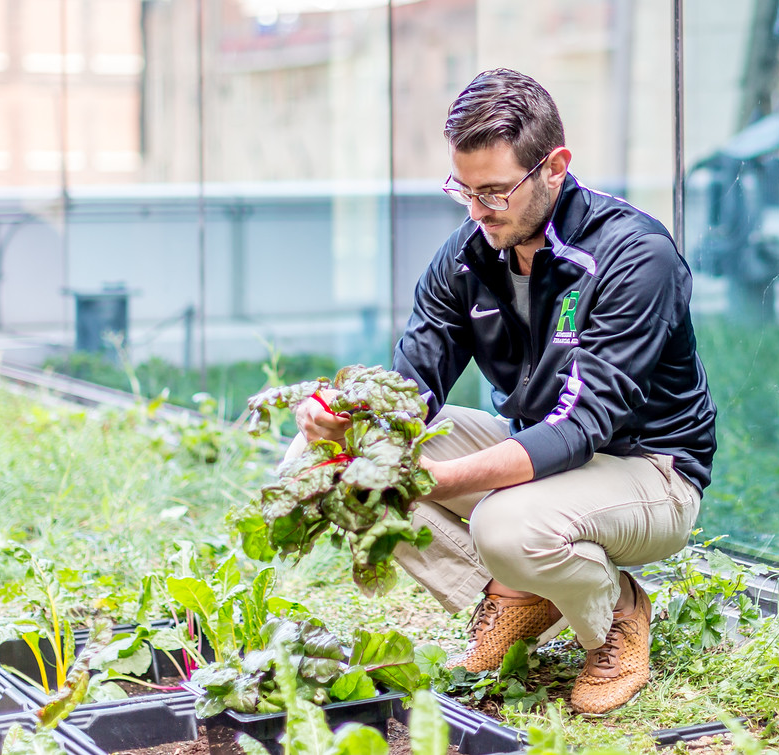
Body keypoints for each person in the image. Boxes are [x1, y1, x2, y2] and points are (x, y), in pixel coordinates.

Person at [291, 69, 716, 714]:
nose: (478, 210)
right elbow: (412, 387)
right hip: (535, 453)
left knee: (506, 523)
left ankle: (617, 614)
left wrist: (436, 480)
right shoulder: (468, 255)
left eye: (494, 191)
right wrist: (343, 413)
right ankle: (520, 593)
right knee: (331, 458)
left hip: (648, 471)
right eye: (463, 190)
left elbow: (581, 427)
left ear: (554, 167)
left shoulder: (635, 256)